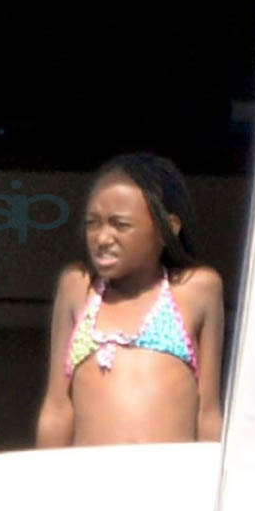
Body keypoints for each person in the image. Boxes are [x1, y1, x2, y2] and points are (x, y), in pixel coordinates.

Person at [35, 153, 224, 447]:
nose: (102, 238)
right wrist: (43, 473)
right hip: (91, 475)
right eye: (93, 223)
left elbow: (208, 413)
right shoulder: (78, 288)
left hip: (170, 475)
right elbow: (57, 408)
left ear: (168, 229)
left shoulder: (196, 289)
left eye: (120, 225)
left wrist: (219, 473)